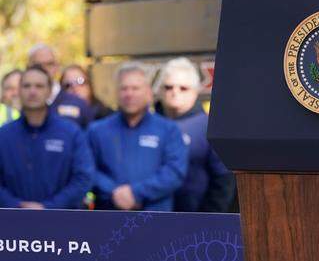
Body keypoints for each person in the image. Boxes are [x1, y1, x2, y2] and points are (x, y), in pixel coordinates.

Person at [88, 62, 188, 211]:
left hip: (156, 219)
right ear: (116, 92)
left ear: (148, 92)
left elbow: (175, 172)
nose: (129, 94)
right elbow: (86, 169)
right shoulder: (96, 130)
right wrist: (114, 192)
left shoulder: (169, 130)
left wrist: (136, 193)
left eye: (135, 88)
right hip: (108, 217)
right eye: (124, 88)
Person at [0, 65, 94, 209]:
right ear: (19, 91)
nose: (32, 91)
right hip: (10, 223)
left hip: (63, 223)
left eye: (39, 86)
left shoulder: (70, 133)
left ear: (50, 91)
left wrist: (49, 207)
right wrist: (17, 206)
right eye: (26, 86)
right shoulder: (4, 135)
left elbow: (83, 178)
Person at [154, 58, 234, 212]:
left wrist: (207, 218)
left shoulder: (209, 126)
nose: (174, 92)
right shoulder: (147, 124)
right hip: (149, 217)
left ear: (195, 91)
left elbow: (224, 179)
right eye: (168, 87)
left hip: (196, 218)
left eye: (183, 88)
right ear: (160, 90)